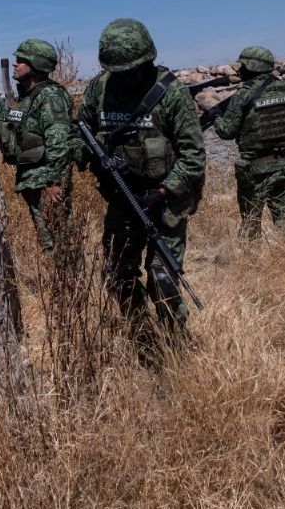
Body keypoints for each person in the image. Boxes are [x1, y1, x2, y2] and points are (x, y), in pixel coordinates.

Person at [73, 18, 206, 363]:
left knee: (163, 278)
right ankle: (145, 341)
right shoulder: (99, 89)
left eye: (133, 69)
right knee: (119, 275)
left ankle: (175, 350)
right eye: (119, 71)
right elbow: (79, 131)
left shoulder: (170, 92)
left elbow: (194, 156)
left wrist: (162, 193)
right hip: (121, 200)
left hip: (163, 203)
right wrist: (90, 156)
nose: (127, 77)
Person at [0, 38, 73, 254]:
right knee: (51, 242)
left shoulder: (49, 97)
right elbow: (10, 116)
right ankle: (62, 283)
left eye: (20, 60)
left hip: (47, 184)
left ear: (36, 65)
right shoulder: (29, 99)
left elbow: (59, 143)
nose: (15, 64)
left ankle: (71, 284)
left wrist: (55, 183)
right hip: (34, 183)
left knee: (60, 242)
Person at [210, 46, 285, 239]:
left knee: (251, 222)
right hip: (284, 165)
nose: (239, 69)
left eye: (243, 65)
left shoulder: (243, 95)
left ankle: (251, 263)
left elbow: (226, 131)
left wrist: (216, 116)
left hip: (254, 171)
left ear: (251, 66)